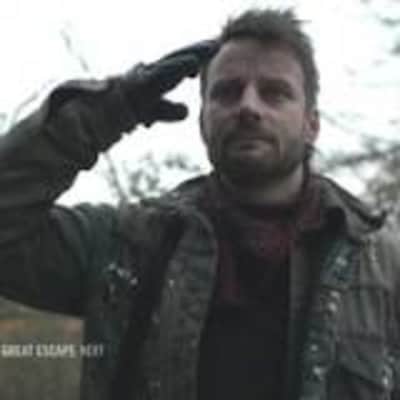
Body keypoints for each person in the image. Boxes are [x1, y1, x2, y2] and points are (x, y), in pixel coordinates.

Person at [0, 7, 399, 400]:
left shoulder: (384, 265)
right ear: (203, 120)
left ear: (312, 124)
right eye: (227, 92)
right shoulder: (129, 245)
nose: (249, 106)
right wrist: (104, 113)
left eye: (274, 93)